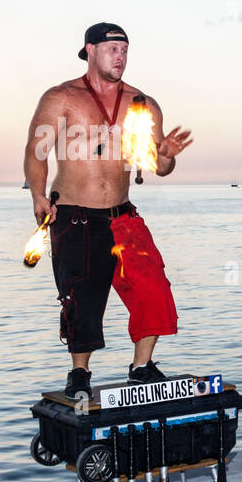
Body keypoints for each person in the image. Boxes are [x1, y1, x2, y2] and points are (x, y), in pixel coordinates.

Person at [24, 22, 193, 398]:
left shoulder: (142, 103)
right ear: (90, 50)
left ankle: (141, 366)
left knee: (154, 289)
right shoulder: (60, 98)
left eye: (125, 49)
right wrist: (38, 194)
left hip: (123, 215)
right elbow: (36, 153)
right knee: (81, 300)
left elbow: (156, 165)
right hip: (74, 216)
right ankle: (80, 374)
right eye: (113, 48)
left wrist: (165, 157)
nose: (121, 56)